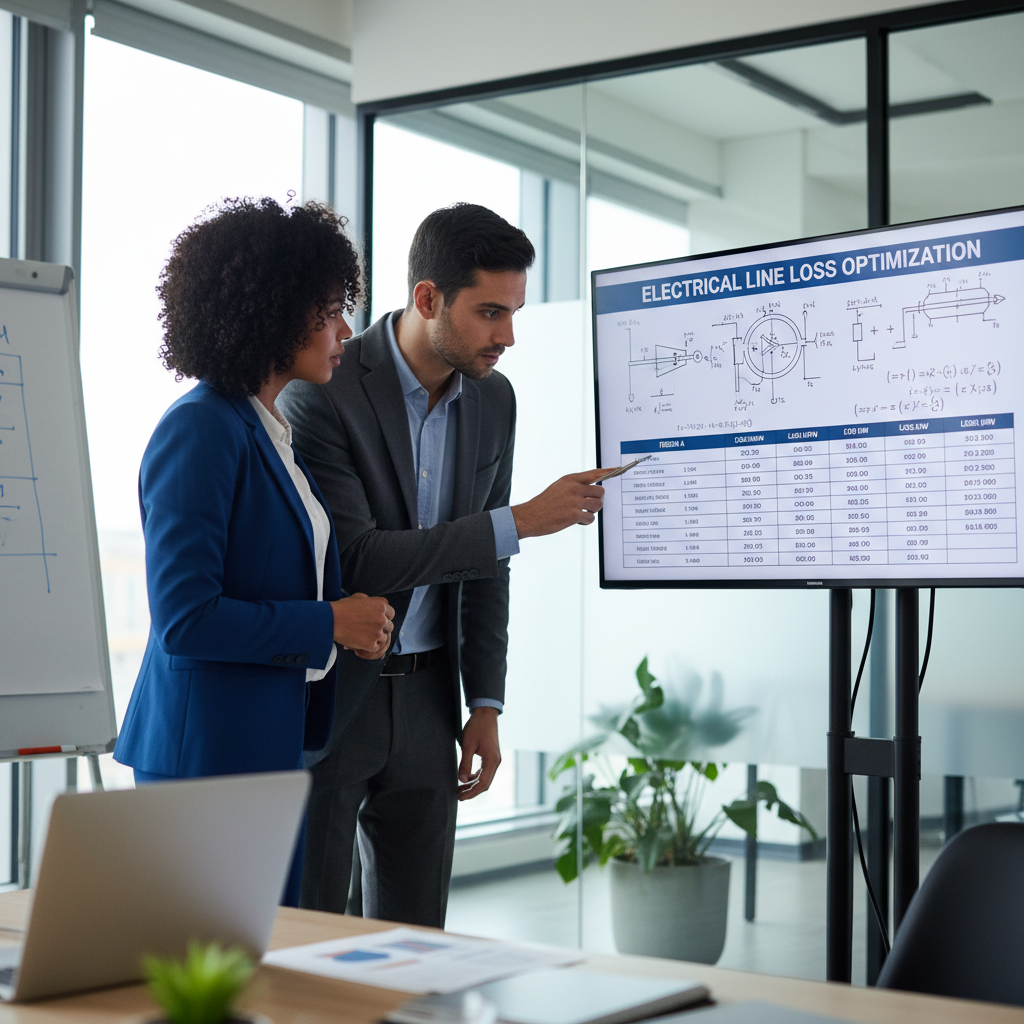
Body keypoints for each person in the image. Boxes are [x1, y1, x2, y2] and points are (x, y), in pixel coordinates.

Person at [277, 202, 605, 926]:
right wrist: (517, 522)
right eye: (490, 313)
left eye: (513, 312)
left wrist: (485, 701)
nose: (507, 336)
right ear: (428, 298)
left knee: (416, 939)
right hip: (334, 699)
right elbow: (359, 556)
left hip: (432, 701)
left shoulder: (495, 401)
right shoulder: (324, 387)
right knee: (310, 932)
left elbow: (487, 568)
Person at [113, 197, 396, 906]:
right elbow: (187, 618)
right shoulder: (200, 429)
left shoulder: (266, 431)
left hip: (265, 748)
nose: (345, 329)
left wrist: (343, 624)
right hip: (206, 758)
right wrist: (330, 624)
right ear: (271, 310)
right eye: (328, 310)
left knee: (258, 972)